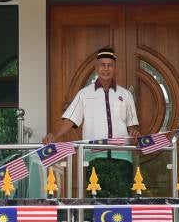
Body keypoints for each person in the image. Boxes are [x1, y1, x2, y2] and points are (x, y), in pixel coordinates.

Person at [44, 47, 139, 195]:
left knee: (122, 202)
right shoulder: (84, 94)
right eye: (103, 65)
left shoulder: (125, 95)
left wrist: (134, 133)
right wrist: (54, 137)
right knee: (97, 201)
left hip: (122, 157)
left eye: (110, 65)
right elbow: (70, 120)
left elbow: (132, 126)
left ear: (115, 69)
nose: (106, 69)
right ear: (96, 67)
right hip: (95, 156)